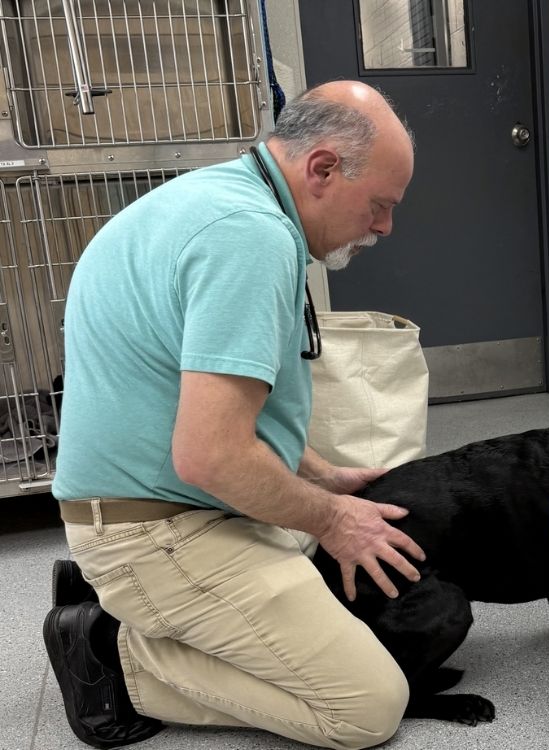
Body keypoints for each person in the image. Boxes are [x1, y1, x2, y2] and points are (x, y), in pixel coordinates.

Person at [43, 81, 427, 749]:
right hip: (159, 531)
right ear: (324, 169)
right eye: (380, 206)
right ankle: (113, 646)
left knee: (319, 555)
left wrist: (319, 476)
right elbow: (213, 456)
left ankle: (116, 590)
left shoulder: (215, 200)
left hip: (144, 505)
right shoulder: (250, 238)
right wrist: (332, 518)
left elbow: (201, 409)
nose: (385, 228)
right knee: (366, 705)